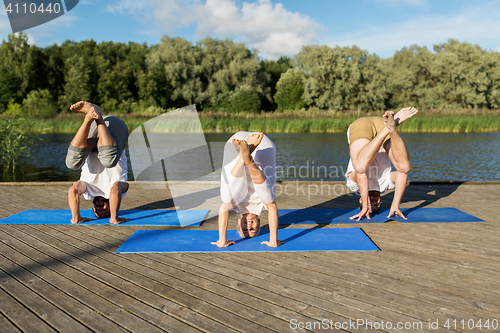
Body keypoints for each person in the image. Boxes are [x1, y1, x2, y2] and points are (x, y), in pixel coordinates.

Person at [211, 132, 284, 247]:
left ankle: (244, 156)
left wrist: (222, 241)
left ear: (239, 222)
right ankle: (247, 158)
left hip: (233, 144)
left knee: (226, 199)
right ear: (259, 222)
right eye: (253, 229)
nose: (248, 227)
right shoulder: (263, 207)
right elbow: (273, 208)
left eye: (245, 230)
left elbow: (224, 208)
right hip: (264, 146)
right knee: (270, 201)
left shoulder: (235, 206)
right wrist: (273, 241)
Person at [345, 107, 418, 221]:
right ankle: (391, 129)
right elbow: (401, 176)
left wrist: (365, 206)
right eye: (377, 205)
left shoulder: (353, 186)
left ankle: (387, 129)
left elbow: (359, 176)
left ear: (361, 200)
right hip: (381, 124)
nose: (374, 202)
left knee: (360, 168)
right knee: (404, 168)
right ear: (380, 201)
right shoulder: (385, 185)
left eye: (371, 204)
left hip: (362, 125)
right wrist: (395, 204)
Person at [66, 101, 130, 224]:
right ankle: (98, 116)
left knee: (72, 163)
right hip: (115, 127)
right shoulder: (120, 188)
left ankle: (88, 118)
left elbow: (72, 191)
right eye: (104, 212)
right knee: (109, 161)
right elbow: (115, 191)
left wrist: (76, 218)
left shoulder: (88, 192)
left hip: (93, 137)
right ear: (112, 207)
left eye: (97, 212)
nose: (99, 209)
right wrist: (114, 218)